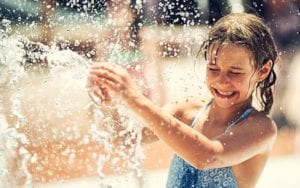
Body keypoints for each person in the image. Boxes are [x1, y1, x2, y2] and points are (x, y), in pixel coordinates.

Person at [88, 13, 278, 188]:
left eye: (235, 72)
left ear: (262, 71)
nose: (222, 81)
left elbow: (206, 157)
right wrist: (110, 104)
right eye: (213, 69)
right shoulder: (185, 112)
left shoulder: (260, 128)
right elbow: (126, 140)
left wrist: (134, 98)